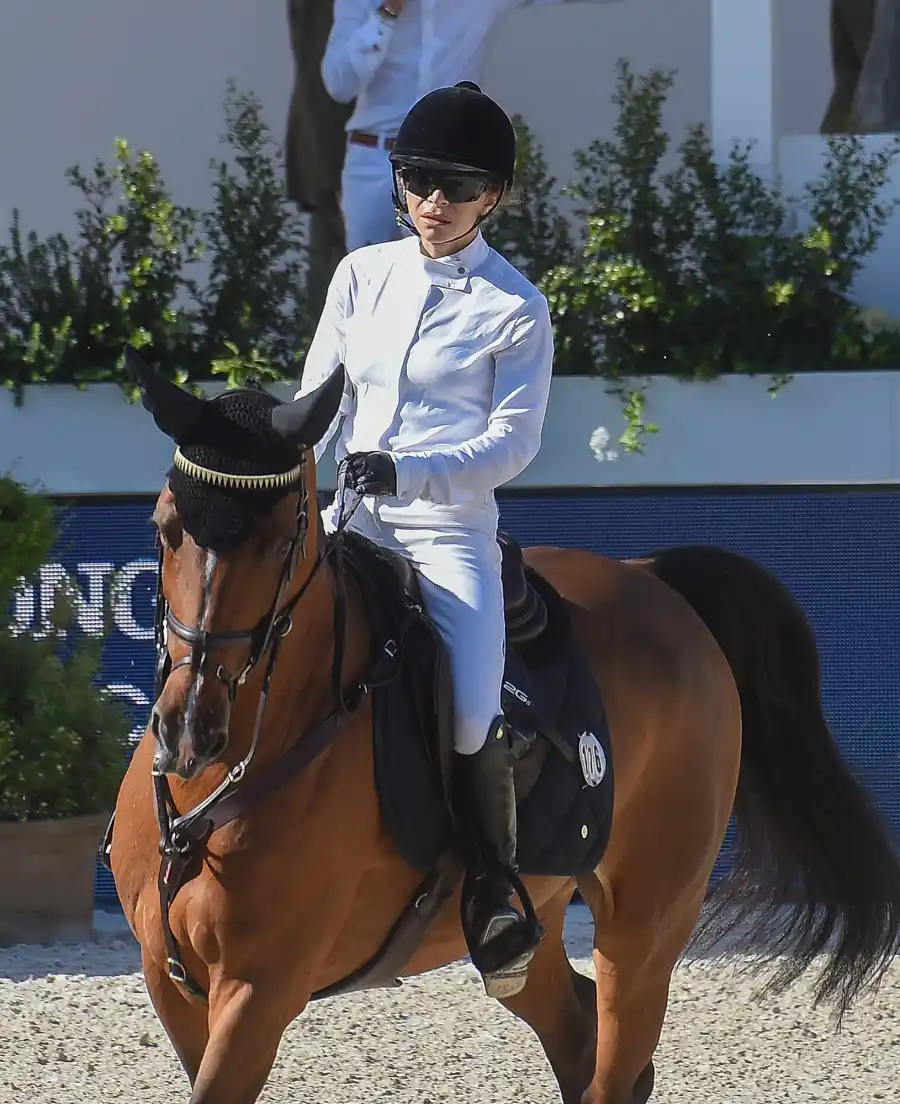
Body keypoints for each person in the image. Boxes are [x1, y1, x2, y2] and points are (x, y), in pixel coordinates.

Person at [293, 81, 554, 996]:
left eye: (455, 187)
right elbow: (319, 404)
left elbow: (514, 444)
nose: (431, 204)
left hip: (446, 533)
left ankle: (493, 887)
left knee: (476, 702)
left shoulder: (514, 306)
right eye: (415, 182)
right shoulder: (360, 275)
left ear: (495, 198)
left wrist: (410, 472)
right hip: (347, 520)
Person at [321, 0, 622, 252]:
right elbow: (339, 85)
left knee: (442, 280)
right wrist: (387, 12)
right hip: (373, 158)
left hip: (445, 164)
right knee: (368, 284)